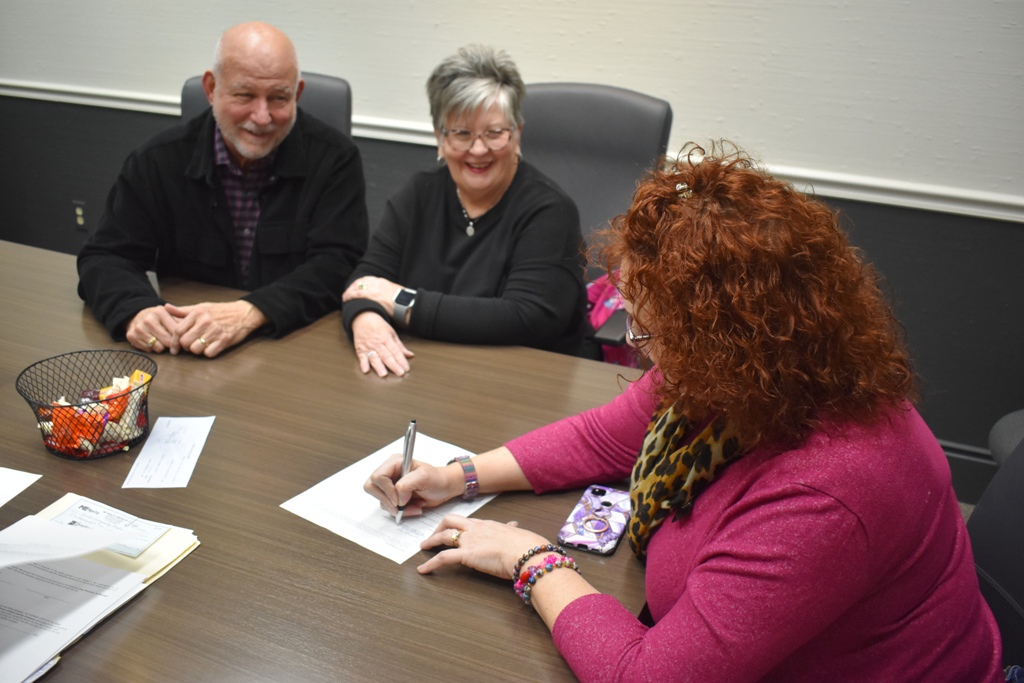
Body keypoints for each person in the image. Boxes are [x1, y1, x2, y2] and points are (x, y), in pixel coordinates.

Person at [365, 143, 1003, 681]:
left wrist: (531, 560)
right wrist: (458, 475)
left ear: (726, 339)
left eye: (649, 332)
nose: (641, 351)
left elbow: (645, 677)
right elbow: (602, 438)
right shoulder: (761, 372)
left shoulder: (824, 493)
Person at [77, 21, 368, 358]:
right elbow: (107, 256)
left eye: (279, 98)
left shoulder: (335, 159)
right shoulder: (157, 160)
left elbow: (339, 264)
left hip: (294, 345)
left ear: (297, 94)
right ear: (211, 88)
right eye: (245, 95)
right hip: (186, 347)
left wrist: (251, 311)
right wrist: (136, 309)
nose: (262, 117)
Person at [341, 45, 593, 378]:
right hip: (429, 373)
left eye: (494, 133)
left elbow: (527, 318)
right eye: (461, 133)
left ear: (517, 134)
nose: (478, 149)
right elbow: (364, 283)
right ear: (440, 138)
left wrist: (402, 302)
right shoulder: (418, 194)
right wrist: (366, 317)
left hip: (525, 381)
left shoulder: (550, 211)